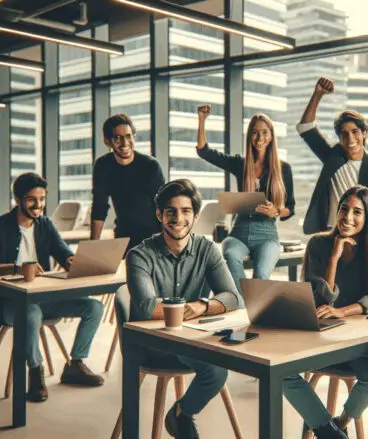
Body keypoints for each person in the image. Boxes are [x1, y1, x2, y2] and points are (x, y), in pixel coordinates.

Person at [126, 179, 242, 439]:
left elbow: (233, 297)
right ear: (159, 214)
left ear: (196, 215)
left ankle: (181, 413)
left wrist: (202, 305)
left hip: (190, 341)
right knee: (215, 367)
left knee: (218, 368)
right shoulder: (139, 255)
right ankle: (184, 420)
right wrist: (192, 309)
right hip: (151, 345)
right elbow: (146, 308)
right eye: (171, 211)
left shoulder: (208, 249)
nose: (178, 218)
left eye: (186, 211)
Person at [0, 172, 105, 403]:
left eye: (42, 199)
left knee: (94, 308)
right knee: (31, 312)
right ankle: (35, 371)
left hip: (46, 298)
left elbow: (63, 253)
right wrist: (17, 268)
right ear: (17, 200)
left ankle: (75, 364)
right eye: (32, 200)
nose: (38, 205)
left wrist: (74, 262)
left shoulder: (45, 224)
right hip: (9, 305)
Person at [282, 185, 368, 439]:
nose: (348, 217)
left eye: (357, 212)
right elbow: (319, 300)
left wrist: (342, 311)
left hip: (358, 342)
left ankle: (338, 425)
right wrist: (334, 257)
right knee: (281, 373)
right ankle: (327, 431)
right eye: (344, 209)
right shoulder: (318, 244)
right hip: (321, 340)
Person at [195, 105, 295, 298]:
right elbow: (204, 152)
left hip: (267, 234)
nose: (260, 138)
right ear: (249, 136)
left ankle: (254, 312)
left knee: (261, 275)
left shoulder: (284, 168)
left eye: (264, 132)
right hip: (239, 231)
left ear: (272, 136)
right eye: (255, 133)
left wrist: (276, 211)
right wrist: (202, 120)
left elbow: (290, 208)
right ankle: (243, 307)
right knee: (231, 256)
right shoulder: (240, 164)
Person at [297, 77, 368, 234]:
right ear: (339, 138)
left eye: (355, 132)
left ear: (364, 133)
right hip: (329, 232)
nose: (351, 139)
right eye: (344, 134)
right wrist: (318, 94)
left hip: (361, 234)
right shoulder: (332, 157)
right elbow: (305, 128)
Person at [91, 113, 165, 252]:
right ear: (107, 141)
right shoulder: (103, 166)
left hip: (154, 238)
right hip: (123, 238)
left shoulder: (150, 166)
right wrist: (92, 248)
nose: (124, 143)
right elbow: (99, 207)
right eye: (117, 138)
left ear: (134, 137)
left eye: (128, 136)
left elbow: (162, 206)